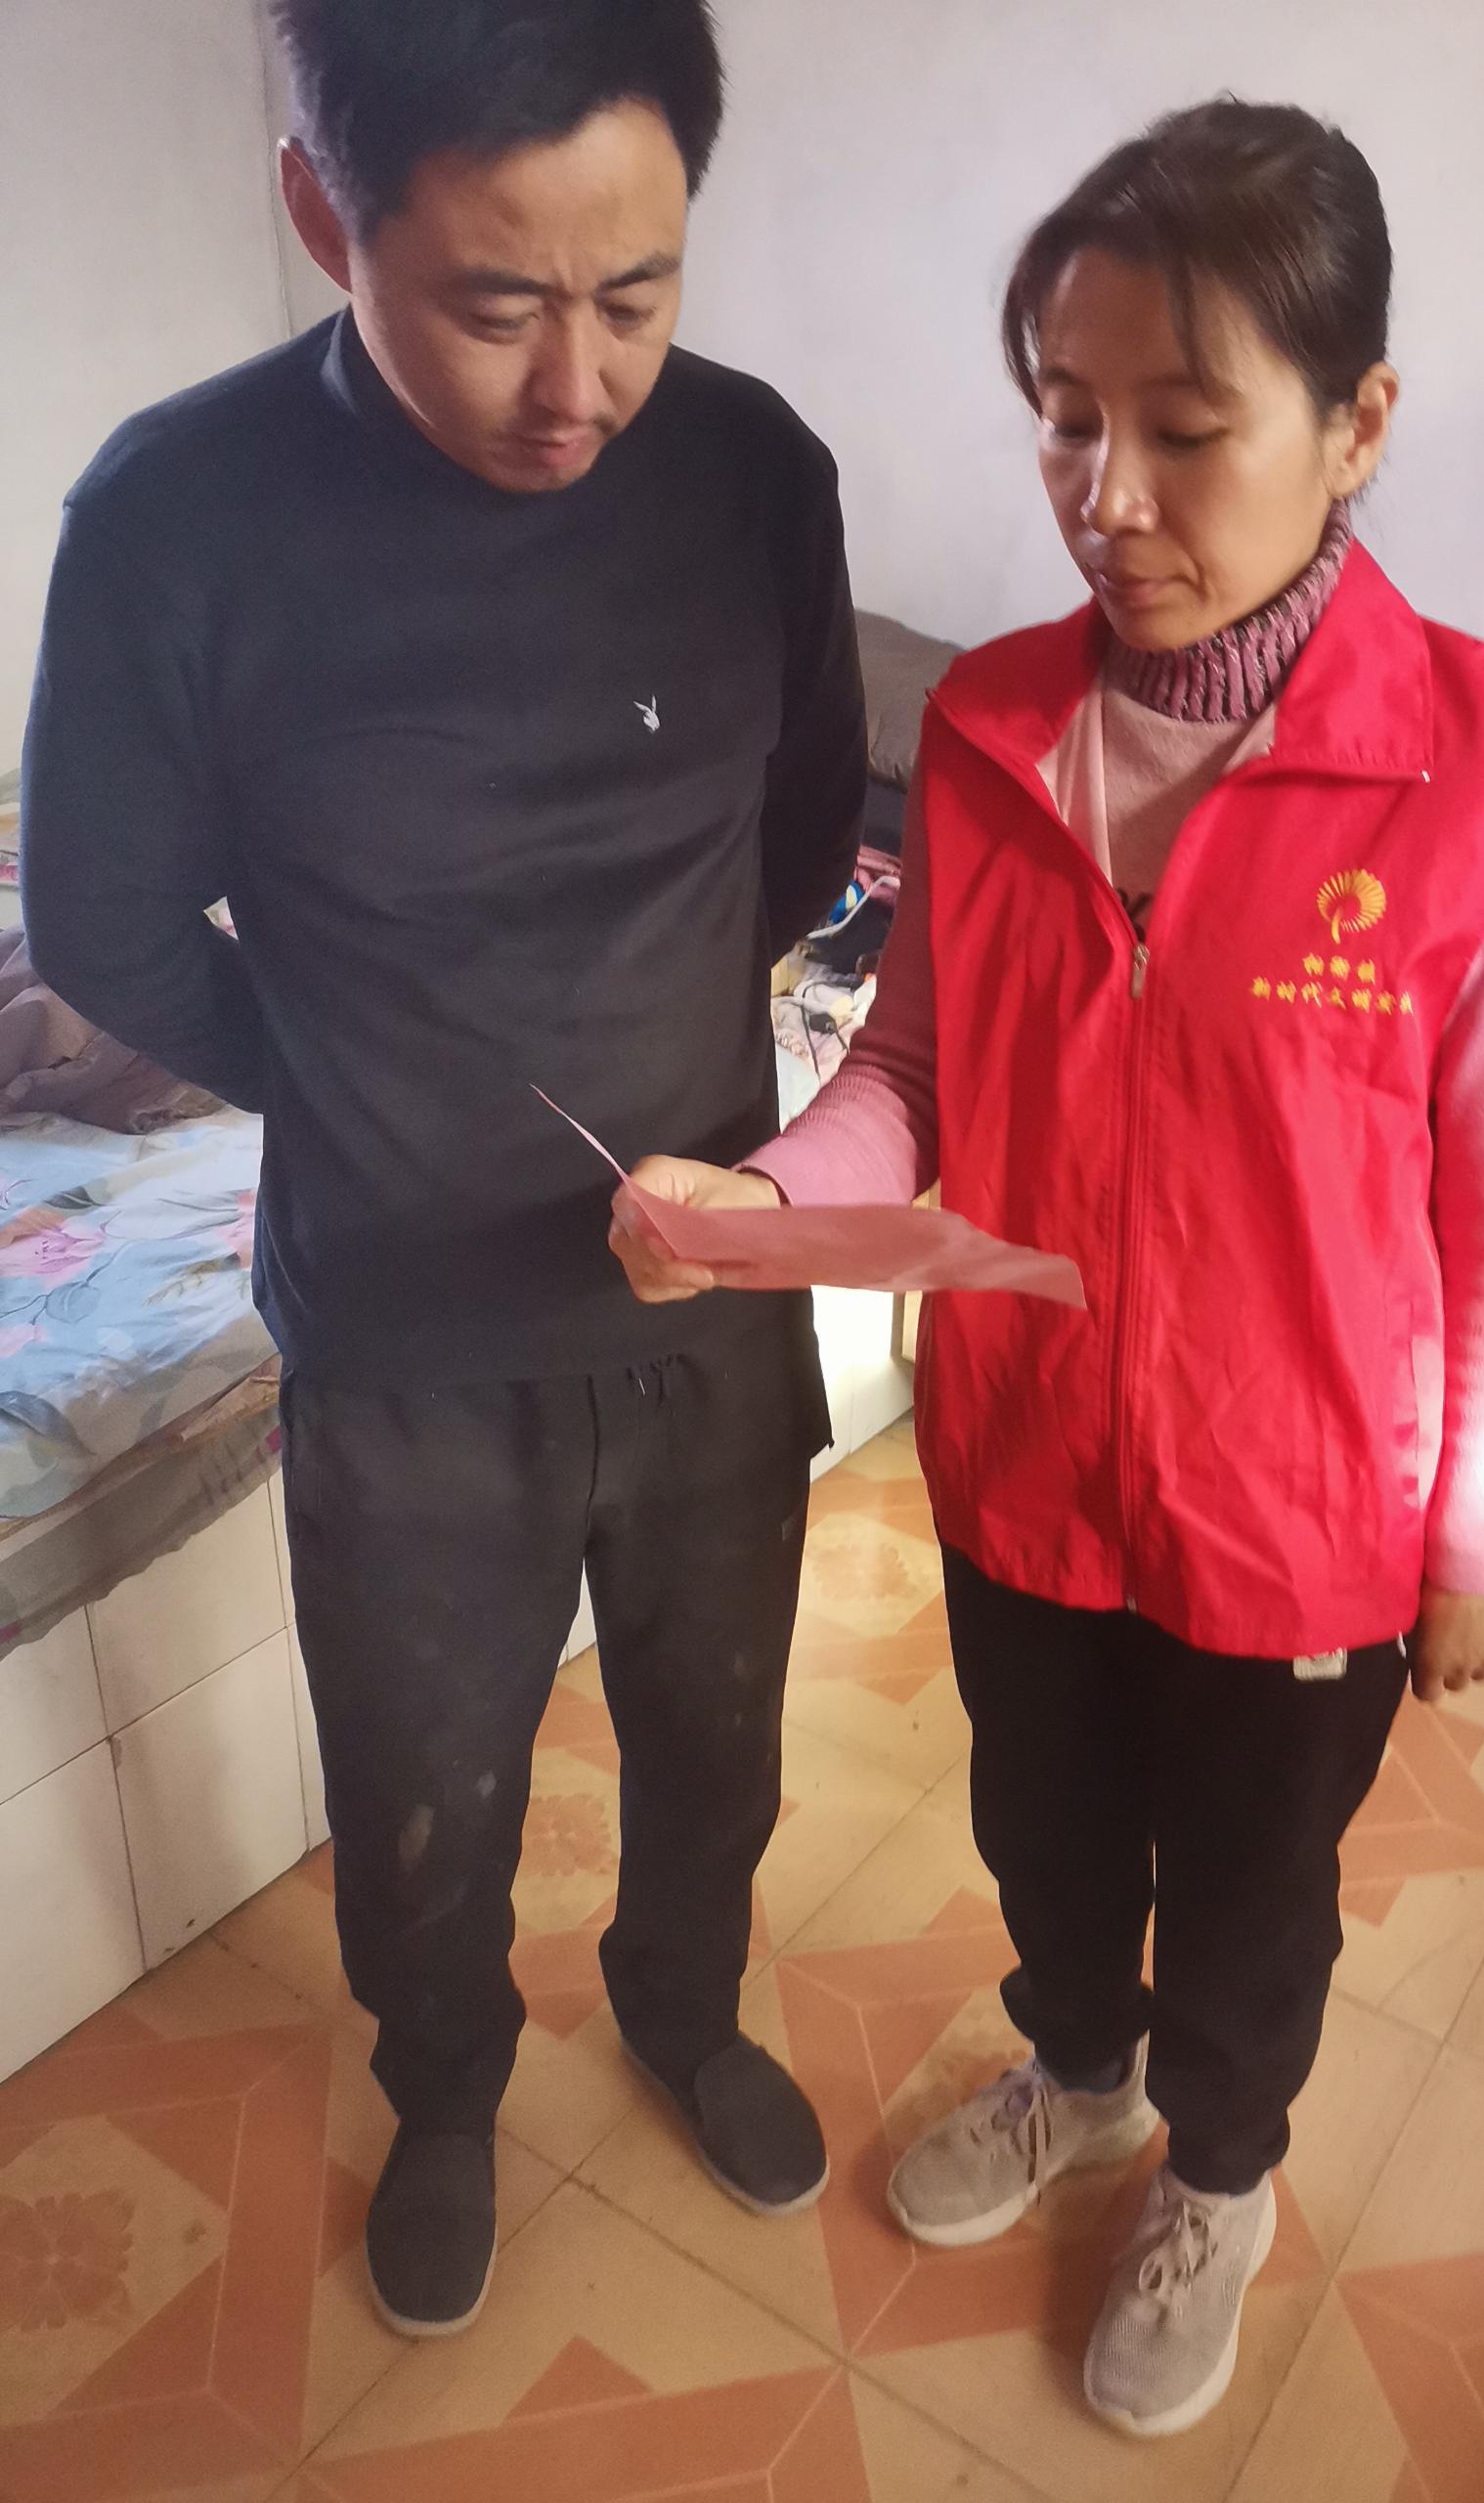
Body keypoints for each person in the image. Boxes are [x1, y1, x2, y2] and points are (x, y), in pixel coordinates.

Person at [614, 101, 1484, 2441]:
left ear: (1355, 423)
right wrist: (769, 1203)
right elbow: (920, 1070)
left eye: (1184, 426)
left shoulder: (1481, 756)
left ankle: (1218, 2172)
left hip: (1305, 1508)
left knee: (1253, 1896)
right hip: (1031, 1457)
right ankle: (1076, 2064)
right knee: (1047, 1836)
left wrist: (1479, 1537)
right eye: (1065, 420)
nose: (1108, 493)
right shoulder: (985, 727)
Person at [21, 0, 865, 2339]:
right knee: (423, 1783)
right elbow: (98, 919)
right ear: (325, 213)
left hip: (705, 1300)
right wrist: (338, 1068)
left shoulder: (754, 474)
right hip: (401, 1344)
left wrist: (686, 1088)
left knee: (719, 1734)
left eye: (638, 294)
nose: (577, 385)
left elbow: (804, 830)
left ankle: (684, 2004)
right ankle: (453, 2089)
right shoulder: (176, 519)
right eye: (496, 306)